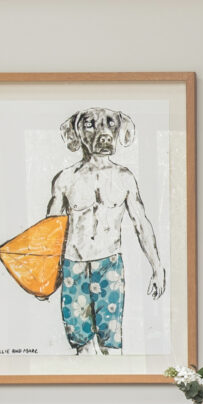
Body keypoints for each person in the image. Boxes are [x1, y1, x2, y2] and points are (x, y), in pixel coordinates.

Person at [44, 107, 165, 353]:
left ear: (120, 130)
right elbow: (50, 231)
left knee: (112, 346)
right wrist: (42, 279)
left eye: (110, 125)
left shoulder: (125, 178)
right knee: (83, 347)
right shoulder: (65, 179)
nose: (104, 133)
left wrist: (157, 267)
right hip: (73, 267)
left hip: (109, 266)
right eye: (91, 125)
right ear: (76, 132)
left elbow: (141, 223)